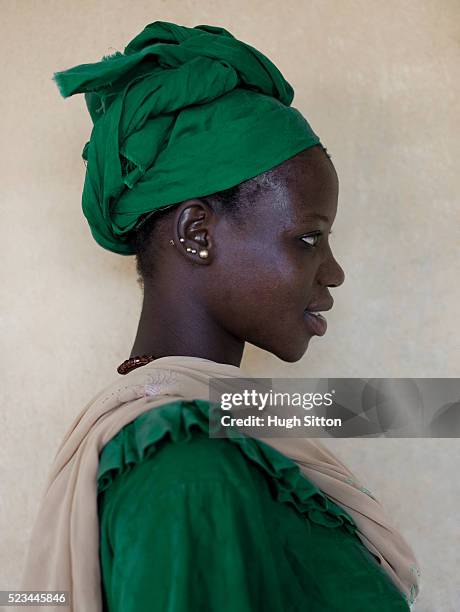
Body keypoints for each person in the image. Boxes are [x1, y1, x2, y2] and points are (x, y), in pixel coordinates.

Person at [21, 21, 421, 612]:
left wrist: (432, 405)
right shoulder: (187, 475)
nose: (334, 272)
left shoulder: (221, 419)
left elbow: (387, 406)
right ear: (197, 233)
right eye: (309, 238)